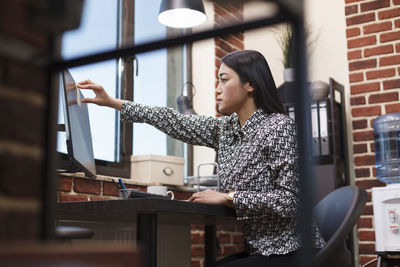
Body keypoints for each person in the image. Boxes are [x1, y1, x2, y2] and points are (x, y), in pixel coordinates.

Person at [77, 50, 325, 266]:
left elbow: (292, 201)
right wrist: (113, 103)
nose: (217, 89)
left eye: (224, 80)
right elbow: (172, 120)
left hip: (293, 250)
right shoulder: (226, 129)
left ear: (250, 84)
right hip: (261, 249)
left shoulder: (279, 127)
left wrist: (229, 197)